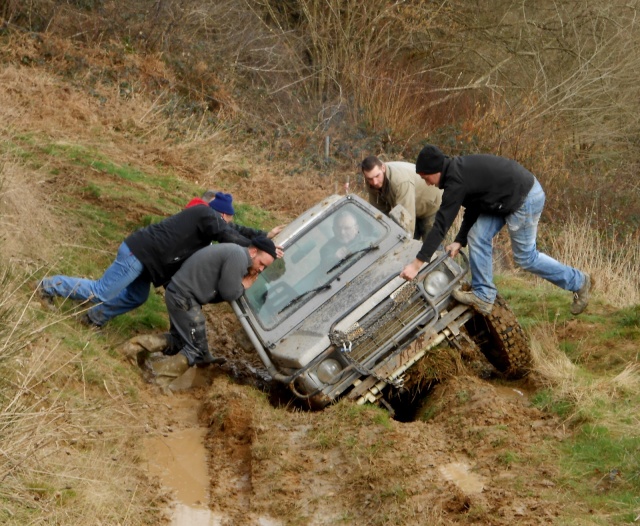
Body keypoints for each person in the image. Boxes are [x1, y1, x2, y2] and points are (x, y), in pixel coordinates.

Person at [400, 144, 592, 316]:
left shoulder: (455, 181)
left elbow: (441, 225)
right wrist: (460, 240)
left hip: (524, 197)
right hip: (503, 199)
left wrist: (416, 265)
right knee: (476, 236)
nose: (427, 183)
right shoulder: (457, 172)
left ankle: (579, 282)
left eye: (426, 178)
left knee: (526, 257)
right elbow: (475, 206)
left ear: (435, 170)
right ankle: (484, 295)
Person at [38, 204, 282, 327]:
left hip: (148, 262)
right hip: (138, 254)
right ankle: (48, 286)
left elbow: (233, 231)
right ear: (220, 214)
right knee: (102, 291)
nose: (229, 221)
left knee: (136, 297)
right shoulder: (204, 215)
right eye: (228, 217)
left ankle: (93, 320)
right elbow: (229, 234)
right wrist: (261, 245)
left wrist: (265, 239)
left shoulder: (209, 223)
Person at [156, 236, 277, 373]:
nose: (261, 269)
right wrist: (243, 285)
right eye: (261, 263)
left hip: (180, 294)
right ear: (254, 252)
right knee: (196, 349)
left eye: (265, 267)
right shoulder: (238, 256)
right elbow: (229, 293)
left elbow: (219, 292)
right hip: (183, 298)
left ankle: (135, 348)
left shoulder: (236, 253)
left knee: (178, 340)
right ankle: (159, 381)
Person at [361, 156, 443, 240]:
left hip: (431, 205)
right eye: (370, 179)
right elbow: (379, 212)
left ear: (383, 168)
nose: (375, 182)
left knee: (430, 246)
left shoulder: (400, 181)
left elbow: (405, 218)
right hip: (412, 203)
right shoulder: (371, 182)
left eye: (377, 176)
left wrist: (403, 242)